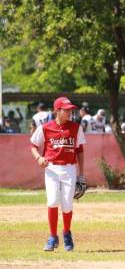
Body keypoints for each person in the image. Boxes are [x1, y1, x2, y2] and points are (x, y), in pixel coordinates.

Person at [29, 97, 86, 252]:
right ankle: (53, 237)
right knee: (53, 201)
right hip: (52, 168)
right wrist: (39, 158)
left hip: (69, 169)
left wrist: (81, 173)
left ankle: (67, 233)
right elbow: (33, 145)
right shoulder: (46, 127)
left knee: (67, 204)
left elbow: (80, 150)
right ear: (57, 110)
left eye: (70, 109)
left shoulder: (76, 127)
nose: (69, 112)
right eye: (66, 109)